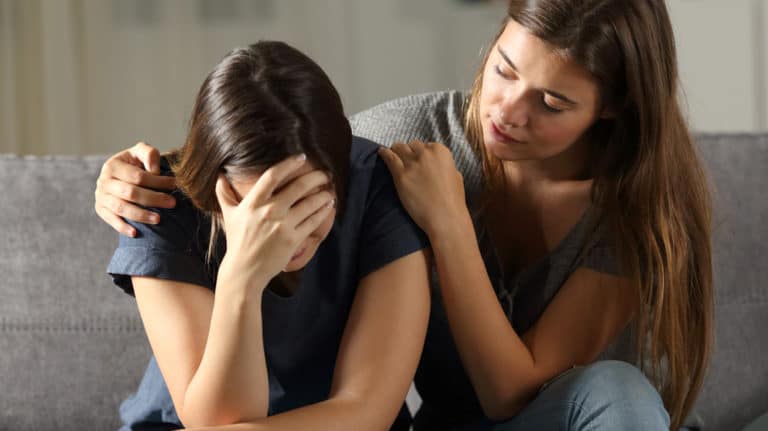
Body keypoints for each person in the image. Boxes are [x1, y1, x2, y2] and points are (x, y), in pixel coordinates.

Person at [95, 1, 713, 430]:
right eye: (503, 69)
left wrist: (448, 223)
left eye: (551, 103)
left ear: (610, 109)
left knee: (618, 390)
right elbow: (288, 139)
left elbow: (509, 395)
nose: (508, 111)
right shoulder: (401, 140)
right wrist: (124, 178)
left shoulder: (641, 214)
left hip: (559, 419)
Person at [104, 41, 431, 431]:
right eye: (261, 209)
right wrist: (241, 277)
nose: (287, 235)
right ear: (217, 187)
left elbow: (365, 410)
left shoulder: (377, 187)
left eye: (307, 203)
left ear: (338, 177)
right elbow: (217, 419)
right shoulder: (156, 203)